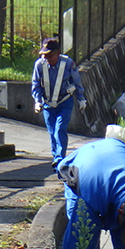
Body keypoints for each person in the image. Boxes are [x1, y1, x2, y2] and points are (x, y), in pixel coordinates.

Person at [31, 37, 87, 167]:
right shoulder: (39, 65)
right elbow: (35, 84)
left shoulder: (68, 64)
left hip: (64, 102)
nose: (47, 58)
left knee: (60, 128)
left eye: (50, 55)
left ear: (57, 53)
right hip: (47, 103)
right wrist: (37, 101)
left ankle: (60, 158)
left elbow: (77, 81)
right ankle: (56, 156)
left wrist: (81, 99)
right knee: (52, 131)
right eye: (44, 55)